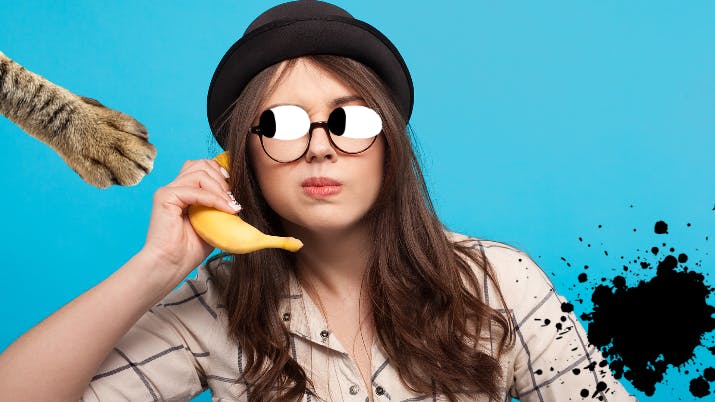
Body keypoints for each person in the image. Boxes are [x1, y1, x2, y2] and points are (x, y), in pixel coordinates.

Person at [0, 1, 637, 401]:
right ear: (242, 159)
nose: (318, 148)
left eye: (348, 122)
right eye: (278, 126)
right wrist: (156, 267)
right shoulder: (212, 310)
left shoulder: (500, 281)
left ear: (390, 142)